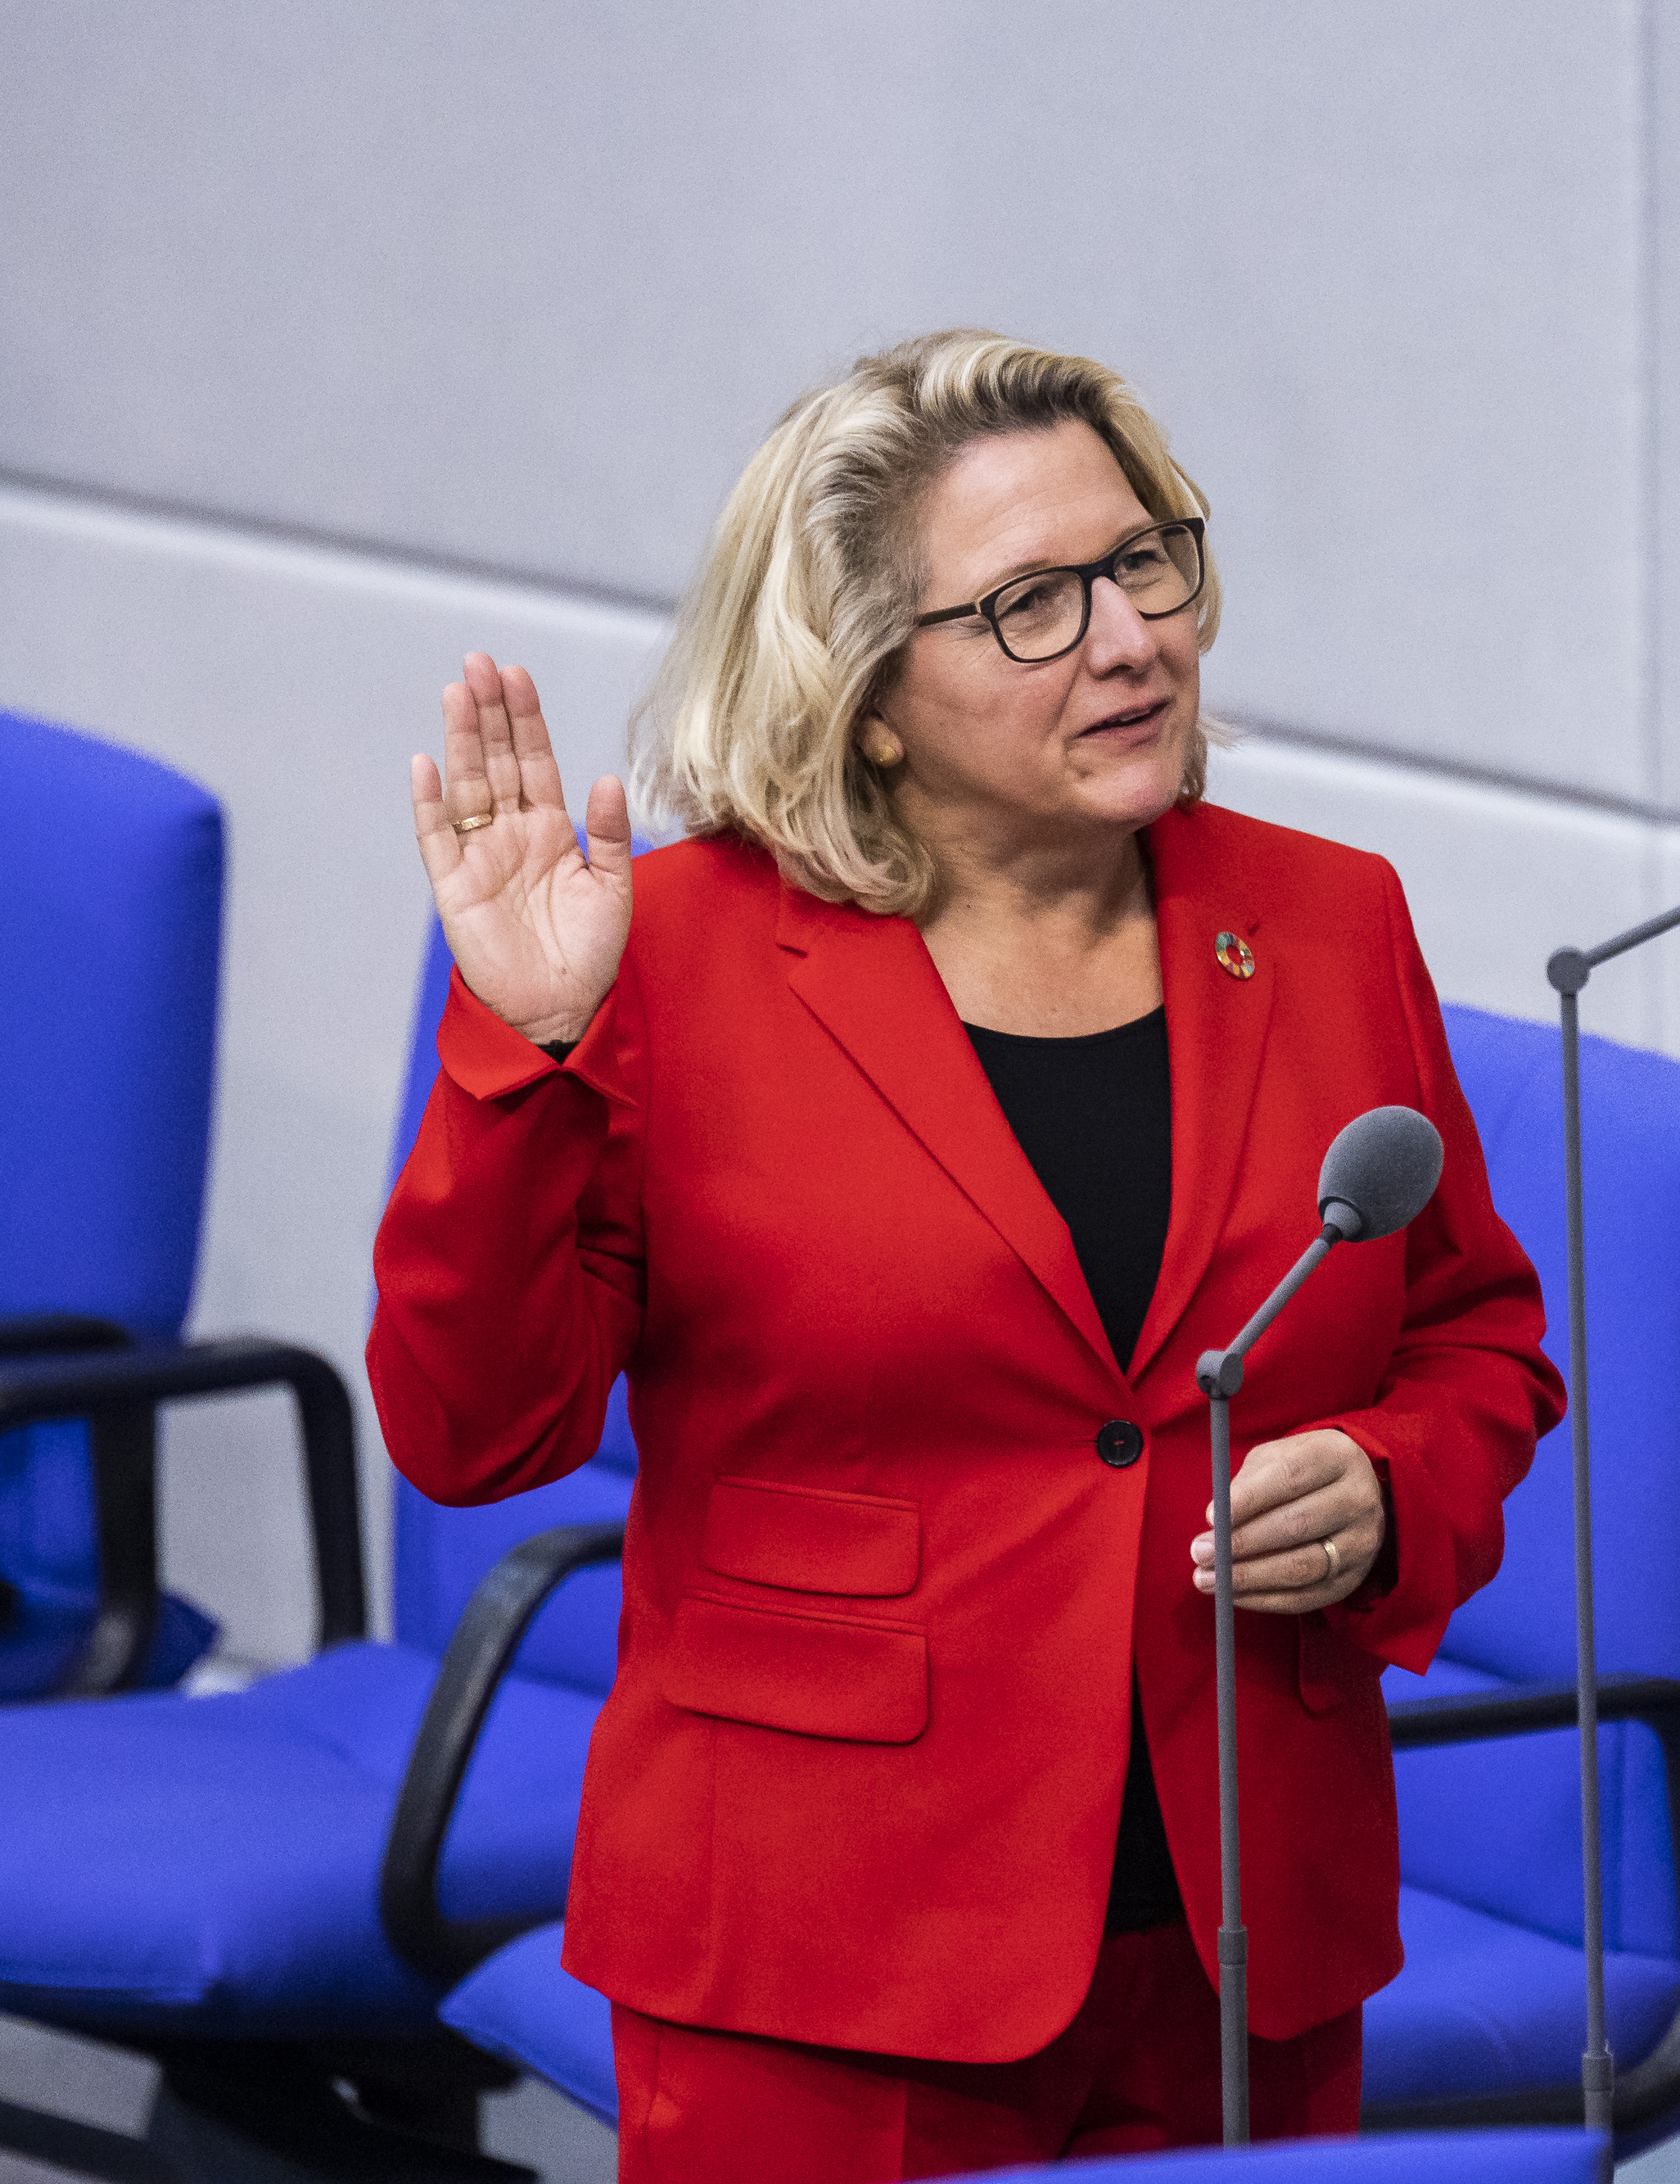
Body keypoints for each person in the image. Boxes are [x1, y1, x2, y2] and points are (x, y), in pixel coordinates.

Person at [370, 330, 1565, 2182]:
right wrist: (522, 1056)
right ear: (863, 691)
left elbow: (1476, 1334)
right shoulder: (665, 959)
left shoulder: (1326, 920)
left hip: (1241, 1921)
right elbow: (476, 1431)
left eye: (1141, 560)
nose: (1127, 635)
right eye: (1027, 603)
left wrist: (1393, 1487)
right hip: (823, 1947)